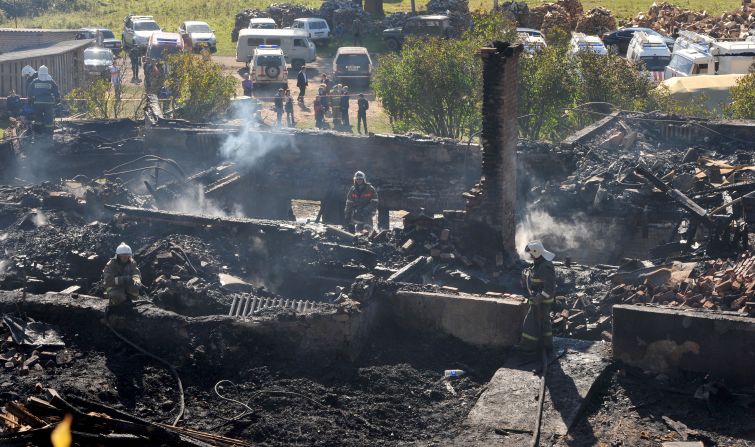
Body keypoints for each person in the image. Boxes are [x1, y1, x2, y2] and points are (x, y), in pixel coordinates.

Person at [519, 240, 556, 353]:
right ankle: (546, 344)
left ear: (536, 252)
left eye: (530, 253)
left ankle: (528, 347)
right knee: (544, 323)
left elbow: (549, 288)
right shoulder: (539, 263)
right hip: (539, 300)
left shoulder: (545, 267)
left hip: (542, 301)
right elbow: (537, 277)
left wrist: (539, 298)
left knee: (530, 324)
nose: (529, 255)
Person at [102, 242, 143, 311]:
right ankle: (114, 303)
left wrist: (137, 280)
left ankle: (127, 300)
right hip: (113, 286)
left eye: (127, 255)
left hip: (126, 285)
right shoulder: (110, 265)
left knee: (135, 290)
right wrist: (124, 279)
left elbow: (136, 273)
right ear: (118, 255)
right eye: (123, 255)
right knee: (119, 296)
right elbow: (108, 281)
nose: (125, 257)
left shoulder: (132, 262)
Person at [27, 66, 60, 134]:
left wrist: (30, 100)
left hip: (37, 102)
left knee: (38, 116)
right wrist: (57, 99)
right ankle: (49, 132)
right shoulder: (51, 81)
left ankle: (38, 131)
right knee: (49, 117)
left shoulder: (35, 81)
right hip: (49, 102)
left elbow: (29, 91)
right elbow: (56, 90)